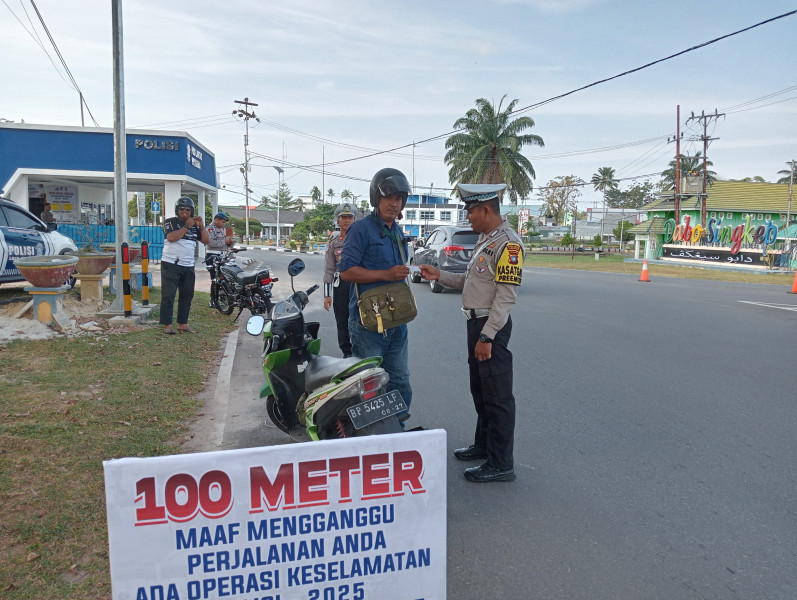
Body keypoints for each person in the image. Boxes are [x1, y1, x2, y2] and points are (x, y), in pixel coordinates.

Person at [420, 183, 523, 483]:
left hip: (491, 326)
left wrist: (488, 336)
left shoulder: (508, 244)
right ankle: (484, 446)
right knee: (481, 390)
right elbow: (470, 280)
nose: (469, 218)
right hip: (475, 324)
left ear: (486, 209)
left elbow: (506, 296)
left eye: (471, 211)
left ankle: (501, 463)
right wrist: (440, 275)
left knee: (498, 396)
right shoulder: (486, 239)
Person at [339, 168, 413, 415]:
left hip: (396, 319)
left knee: (400, 382)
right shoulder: (360, 230)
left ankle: (396, 432)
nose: (395, 204)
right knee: (369, 386)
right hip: (368, 323)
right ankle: (371, 439)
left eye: (399, 199)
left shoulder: (397, 231)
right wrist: (386, 274)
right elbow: (346, 271)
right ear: (376, 199)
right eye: (389, 198)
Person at [160, 197, 209, 334]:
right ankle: (167, 325)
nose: (185, 212)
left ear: (191, 211)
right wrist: (186, 226)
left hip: (188, 265)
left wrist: (201, 226)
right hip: (170, 263)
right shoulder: (170, 222)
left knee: (187, 295)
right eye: (181, 209)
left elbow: (206, 241)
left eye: (188, 209)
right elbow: (171, 238)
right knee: (168, 294)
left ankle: (183, 323)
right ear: (177, 210)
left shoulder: (194, 225)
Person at [323, 203, 358, 358]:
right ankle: (347, 353)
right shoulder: (334, 243)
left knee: (360, 319)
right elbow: (329, 269)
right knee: (342, 320)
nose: (347, 220)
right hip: (341, 285)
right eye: (343, 217)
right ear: (338, 221)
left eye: (349, 217)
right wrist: (327, 295)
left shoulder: (361, 241)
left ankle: (360, 350)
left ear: (354, 219)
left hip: (359, 285)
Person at [205, 212, 233, 308]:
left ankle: (221, 298)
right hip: (212, 256)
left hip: (221, 256)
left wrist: (228, 243)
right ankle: (213, 300)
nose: (223, 223)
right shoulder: (210, 229)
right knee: (215, 279)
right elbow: (210, 242)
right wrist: (224, 241)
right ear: (216, 219)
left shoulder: (220, 229)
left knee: (223, 279)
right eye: (222, 221)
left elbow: (222, 242)